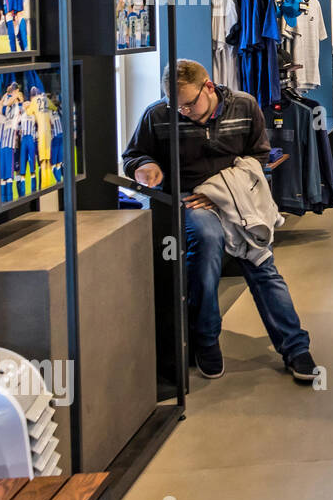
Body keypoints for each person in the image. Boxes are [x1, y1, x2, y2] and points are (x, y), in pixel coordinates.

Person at [122, 60, 319, 383]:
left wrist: (221, 192)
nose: (182, 111)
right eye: (176, 105)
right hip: (191, 201)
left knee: (264, 267)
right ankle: (207, 338)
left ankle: (296, 348)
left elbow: (259, 157)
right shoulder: (157, 114)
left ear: (209, 87)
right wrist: (144, 167)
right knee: (207, 241)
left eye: (188, 104)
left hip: (239, 200)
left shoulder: (244, 105)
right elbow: (133, 155)